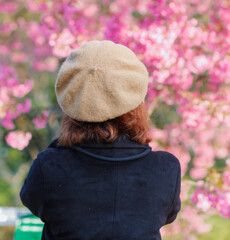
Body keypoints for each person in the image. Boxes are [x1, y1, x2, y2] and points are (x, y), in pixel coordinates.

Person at [19, 40, 181, 240]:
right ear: (136, 98)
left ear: (71, 103)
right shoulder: (165, 168)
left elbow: (32, 201)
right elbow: (168, 214)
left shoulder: (49, 166)